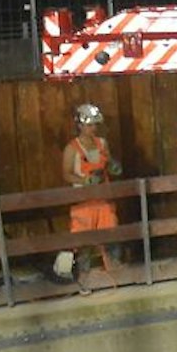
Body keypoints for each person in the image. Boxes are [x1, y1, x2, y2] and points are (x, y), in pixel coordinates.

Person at [58, 103, 123, 285]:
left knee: (111, 236)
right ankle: (83, 278)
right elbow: (66, 173)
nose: (93, 128)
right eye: (89, 125)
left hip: (103, 200)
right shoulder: (72, 148)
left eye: (95, 125)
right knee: (83, 241)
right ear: (80, 125)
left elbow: (108, 162)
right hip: (83, 202)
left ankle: (115, 274)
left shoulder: (102, 144)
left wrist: (113, 166)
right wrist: (85, 181)